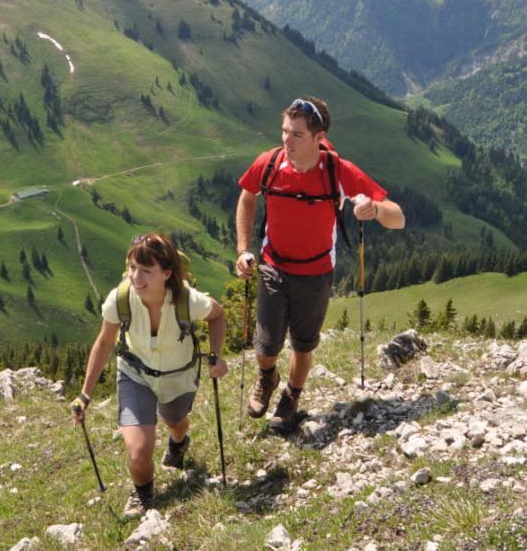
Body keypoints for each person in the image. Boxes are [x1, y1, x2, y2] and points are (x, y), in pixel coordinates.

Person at [235, 96, 404, 434]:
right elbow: (247, 197)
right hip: (272, 266)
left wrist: (374, 210)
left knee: (303, 343)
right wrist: (242, 249)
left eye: (296, 134)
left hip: (314, 272)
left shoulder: (337, 171)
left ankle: (291, 398)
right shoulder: (268, 163)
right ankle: (267, 377)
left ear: (319, 137)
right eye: (285, 131)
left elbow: (397, 217)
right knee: (266, 346)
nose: (286, 140)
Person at [71, 232, 228, 517]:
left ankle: (179, 442)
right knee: (138, 452)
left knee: (175, 421)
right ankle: (143, 494)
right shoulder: (120, 299)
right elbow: (104, 342)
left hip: (177, 375)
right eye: (132, 268)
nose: (136, 277)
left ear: (167, 273)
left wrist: (217, 355)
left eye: (146, 270)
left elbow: (217, 316)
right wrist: (85, 394)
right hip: (135, 373)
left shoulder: (187, 300)